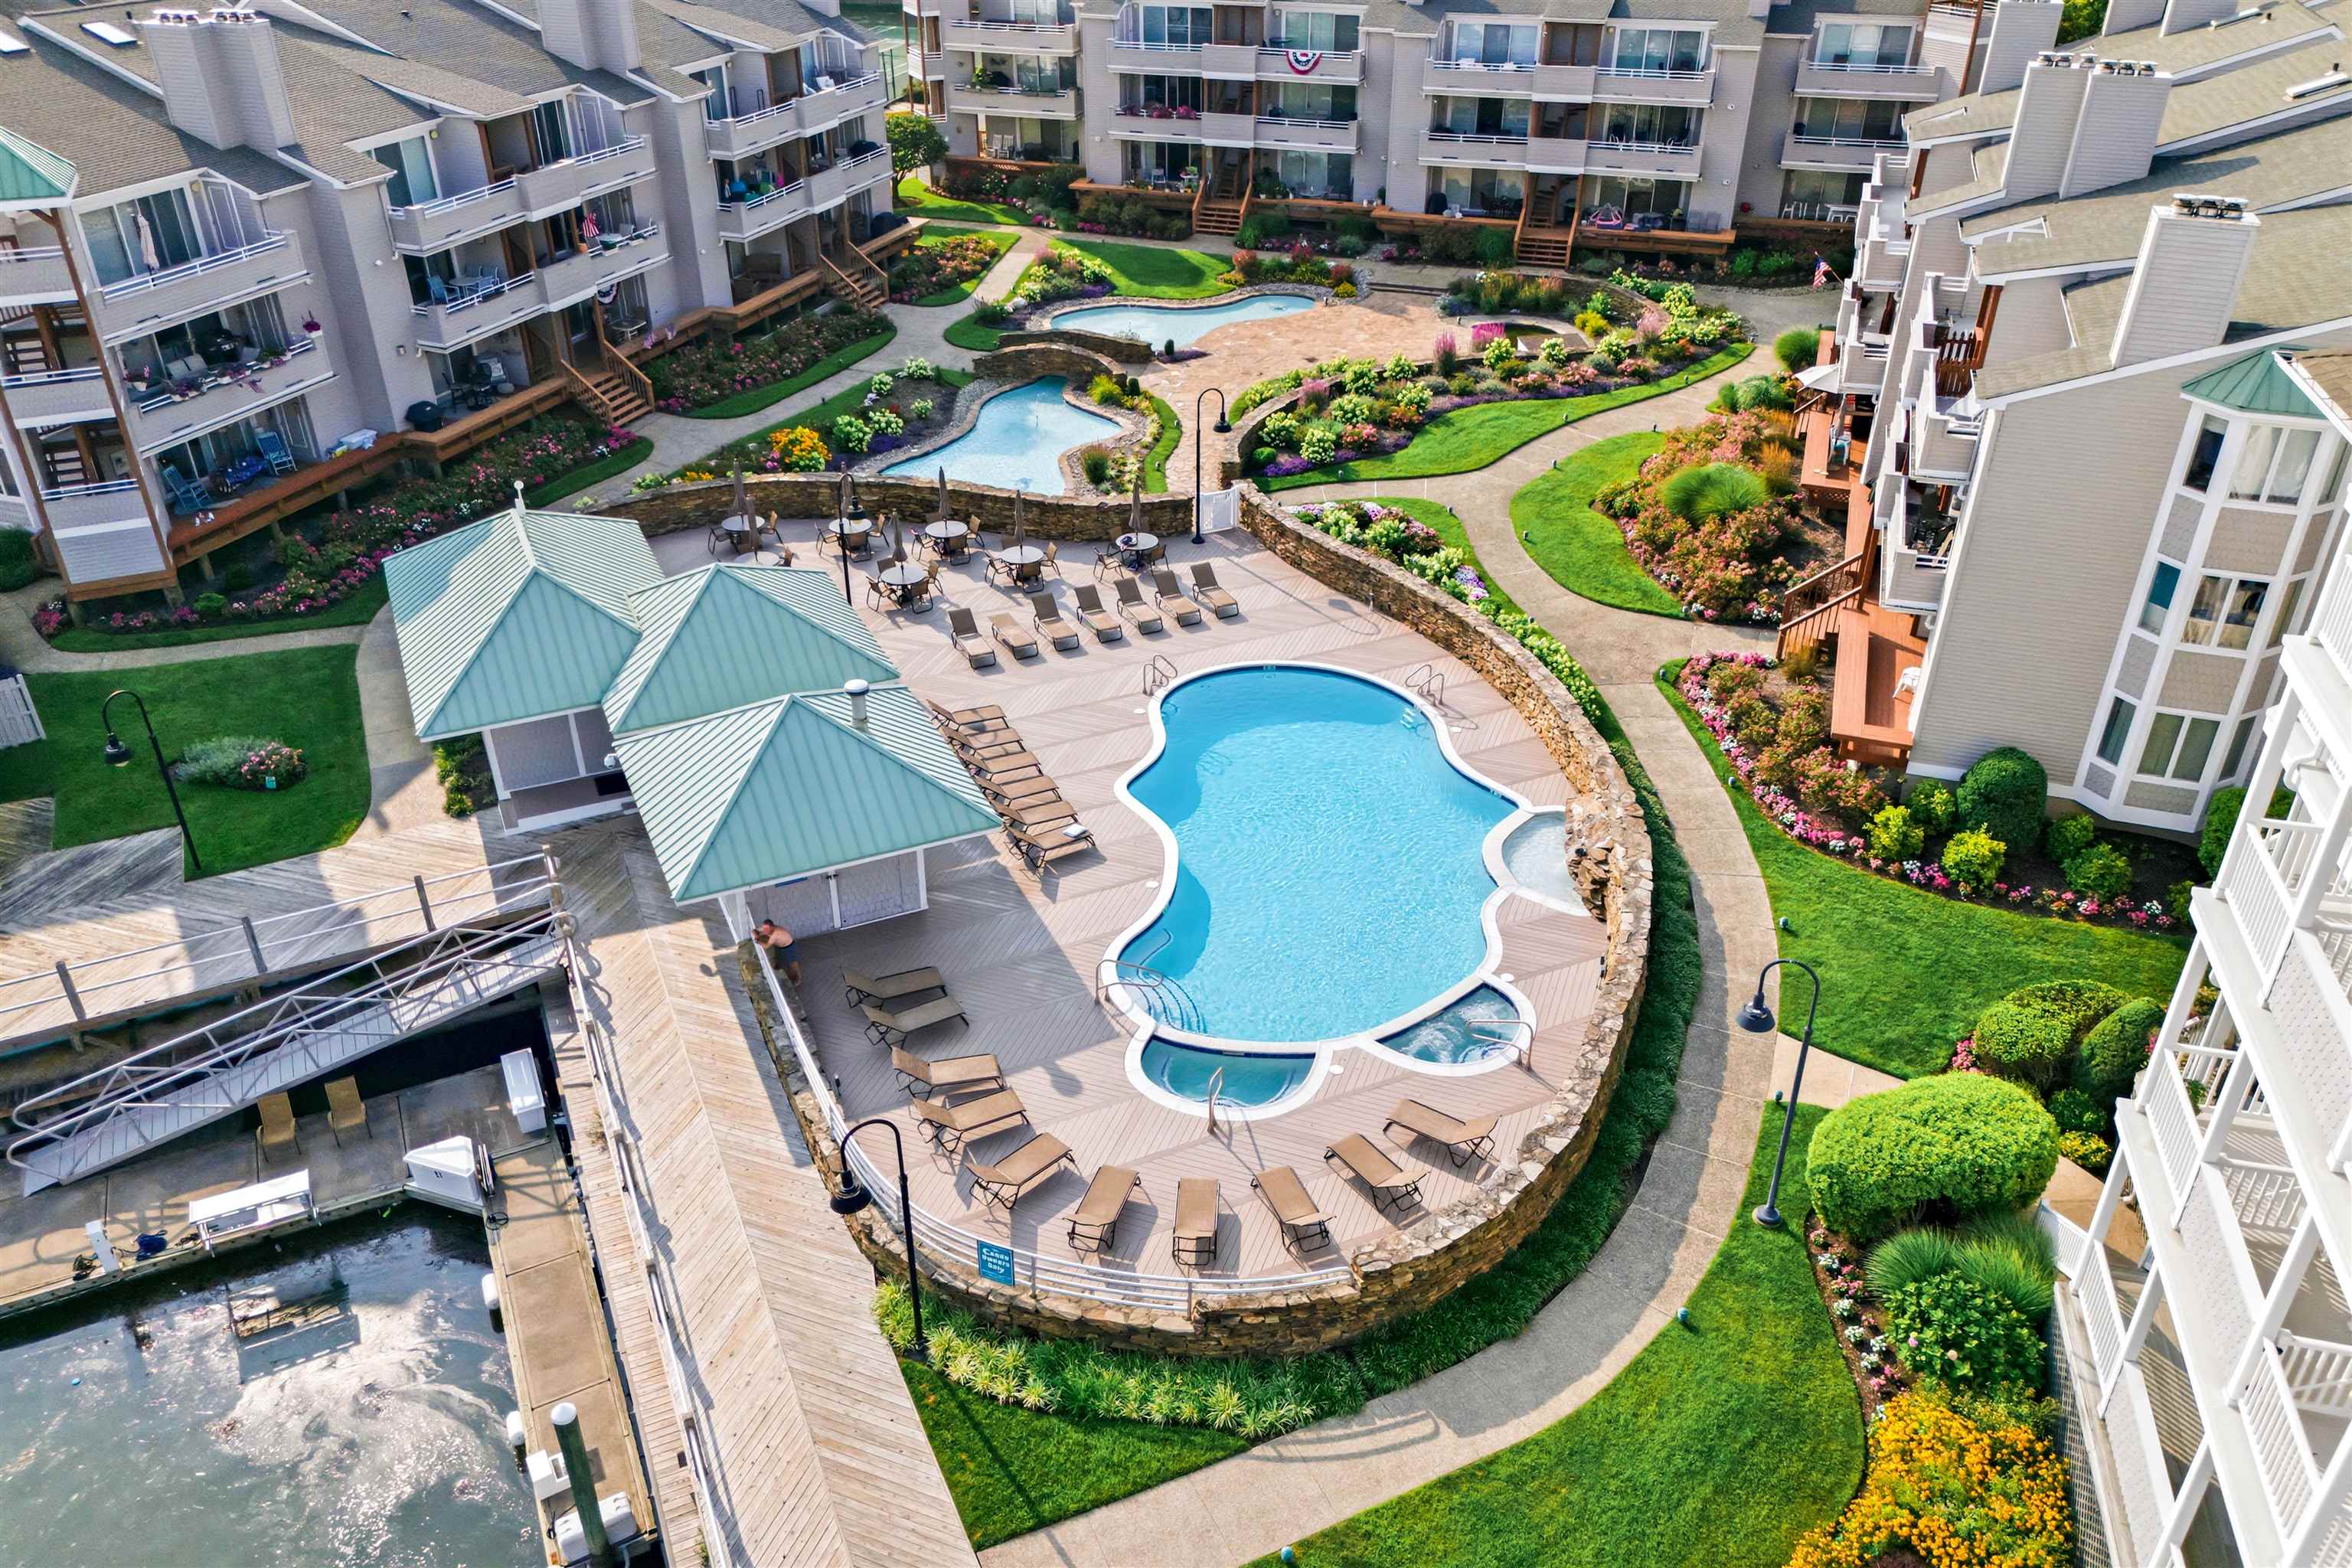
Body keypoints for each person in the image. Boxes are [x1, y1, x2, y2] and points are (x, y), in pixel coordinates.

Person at [753, 920, 802, 988]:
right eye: (764, 928)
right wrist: (757, 936)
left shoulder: (776, 933)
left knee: (793, 965)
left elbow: (766, 946)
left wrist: (758, 941)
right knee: (779, 959)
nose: (765, 930)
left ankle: (798, 979)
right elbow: (753, 930)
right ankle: (779, 969)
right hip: (780, 947)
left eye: (767, 929)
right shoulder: (767, 928)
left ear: (772, 927)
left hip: (789, 948)